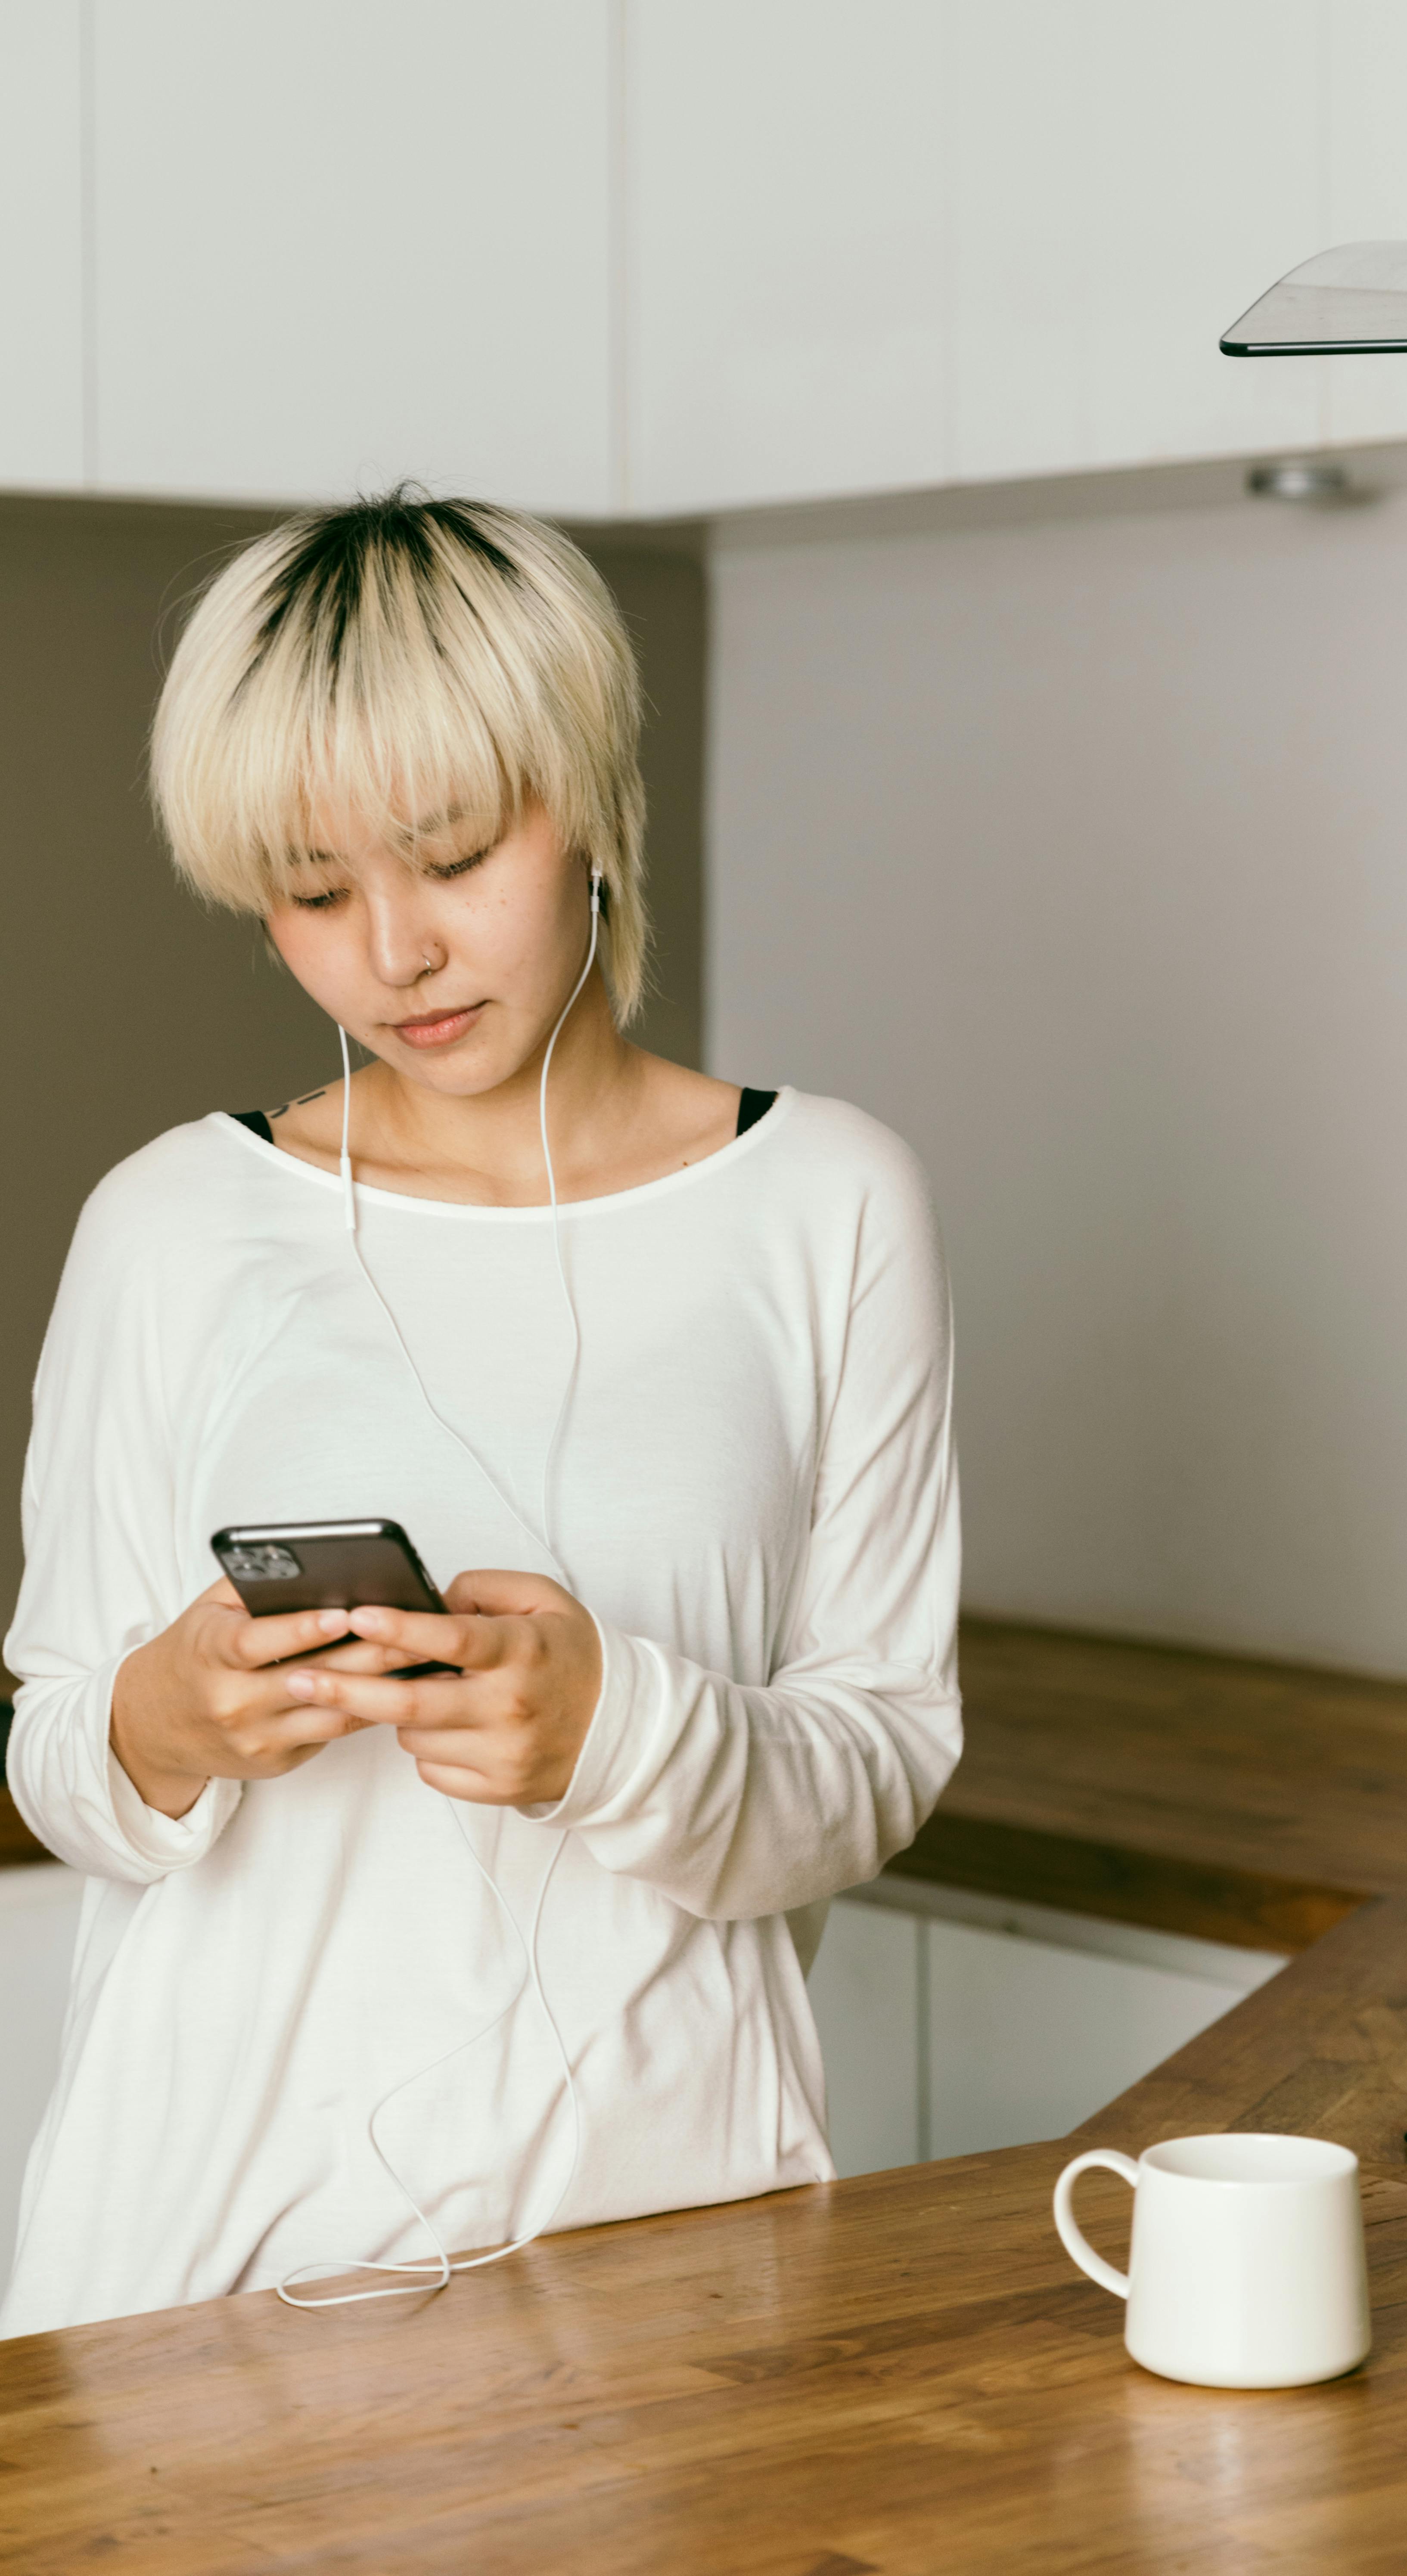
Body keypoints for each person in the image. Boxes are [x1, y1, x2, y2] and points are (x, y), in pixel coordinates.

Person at [0, 491, 960, 2335]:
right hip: (201, 2277)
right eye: (309, 890)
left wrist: (617, 1728)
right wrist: (160, 1715)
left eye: (448, 853)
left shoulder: (829, 1200)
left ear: (585, 786)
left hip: (668, 2265)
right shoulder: (172, 1223)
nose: (393, 952)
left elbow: (881, 1757)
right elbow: (58, 1755)